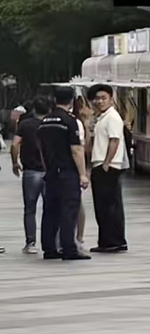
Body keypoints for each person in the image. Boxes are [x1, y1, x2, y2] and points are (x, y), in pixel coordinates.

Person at [37, 86, 90, 261]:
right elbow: (76, 149)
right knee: (68, 211)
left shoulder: (44, 121)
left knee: (50, 211)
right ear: (72, 100)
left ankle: (49, 248)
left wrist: (47, 168)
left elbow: (42, 150)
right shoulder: (69, 121)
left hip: (51, 172)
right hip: (67, 172)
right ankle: (69, 249)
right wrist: (82, 174)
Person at [87, 83, 128, 253]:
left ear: (111, 99)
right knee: (103, 205)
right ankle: (107, 240)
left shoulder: (112, 117)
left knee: (108, 206)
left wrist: (106, 163)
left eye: (103, 98)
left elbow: (115, 140)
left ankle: (114, 240)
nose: (99, 101)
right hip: (101, 164)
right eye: (97, 98)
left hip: (108, 166)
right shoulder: (102, 117)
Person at [12, 95, 50, 254]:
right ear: (49, 108)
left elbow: (14, 144)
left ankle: (31, 242)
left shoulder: (25, 124)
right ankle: (52, 241)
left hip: (30, 171)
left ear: (33, 109)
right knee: (50, 208)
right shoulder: (52, 124)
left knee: (30, 209)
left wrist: (15, 163)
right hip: (49, 171)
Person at [74, 94, 92, 255]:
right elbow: (81, 149)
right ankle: (78, 238)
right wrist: (83, 173)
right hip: (74, 169)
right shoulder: (77, 123)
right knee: (77, 203)